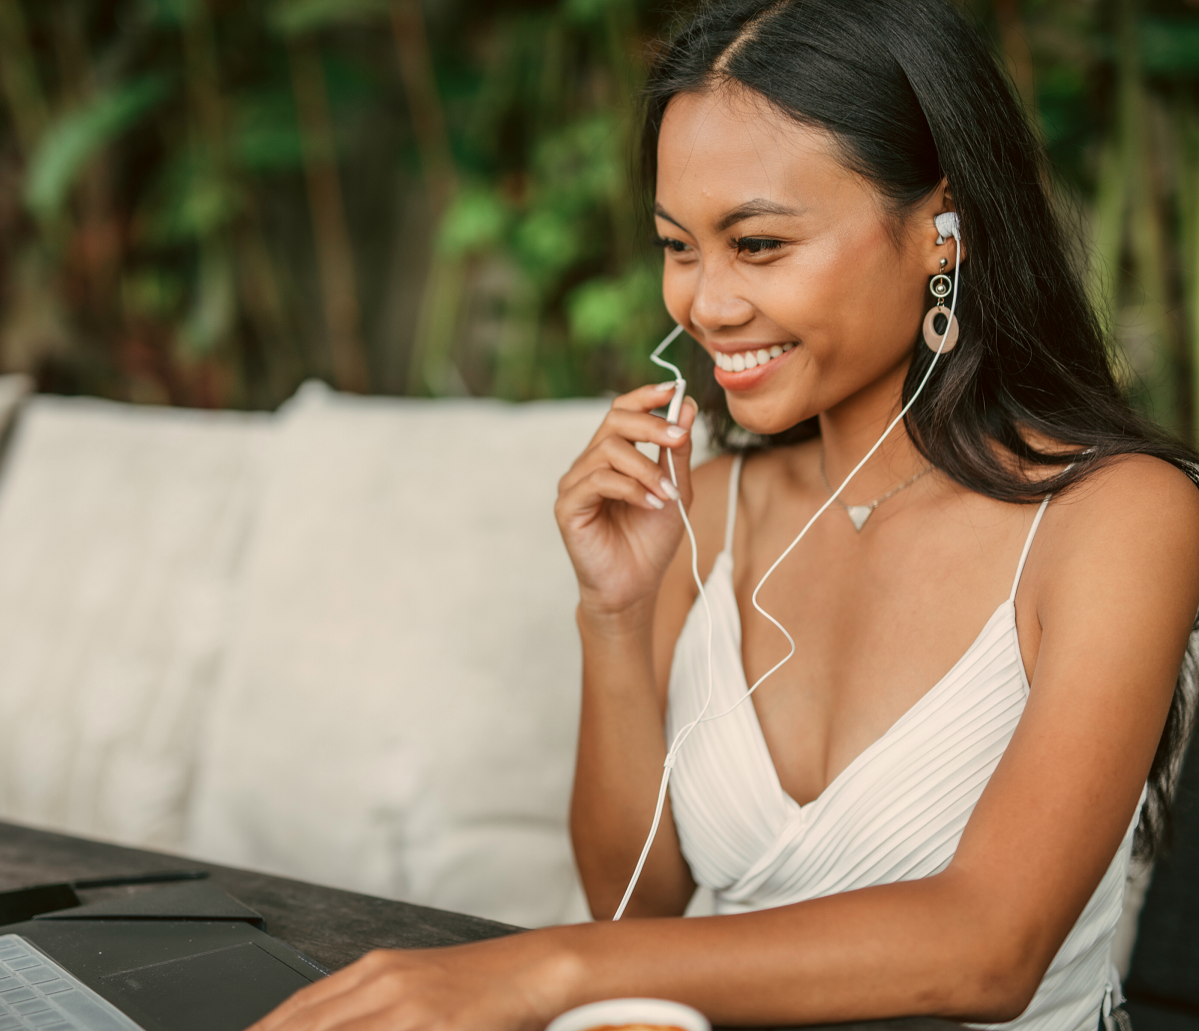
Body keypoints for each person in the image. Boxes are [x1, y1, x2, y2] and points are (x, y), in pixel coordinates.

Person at [250, 2, 1199, 1030]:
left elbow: (990, 945)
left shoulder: (1119, 519)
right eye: (678, 246)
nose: (703, 305)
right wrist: (613, 615)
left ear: (942, 229)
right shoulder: (702, 505)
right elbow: (636, 901)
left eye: (756, 243)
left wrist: (542, 969)